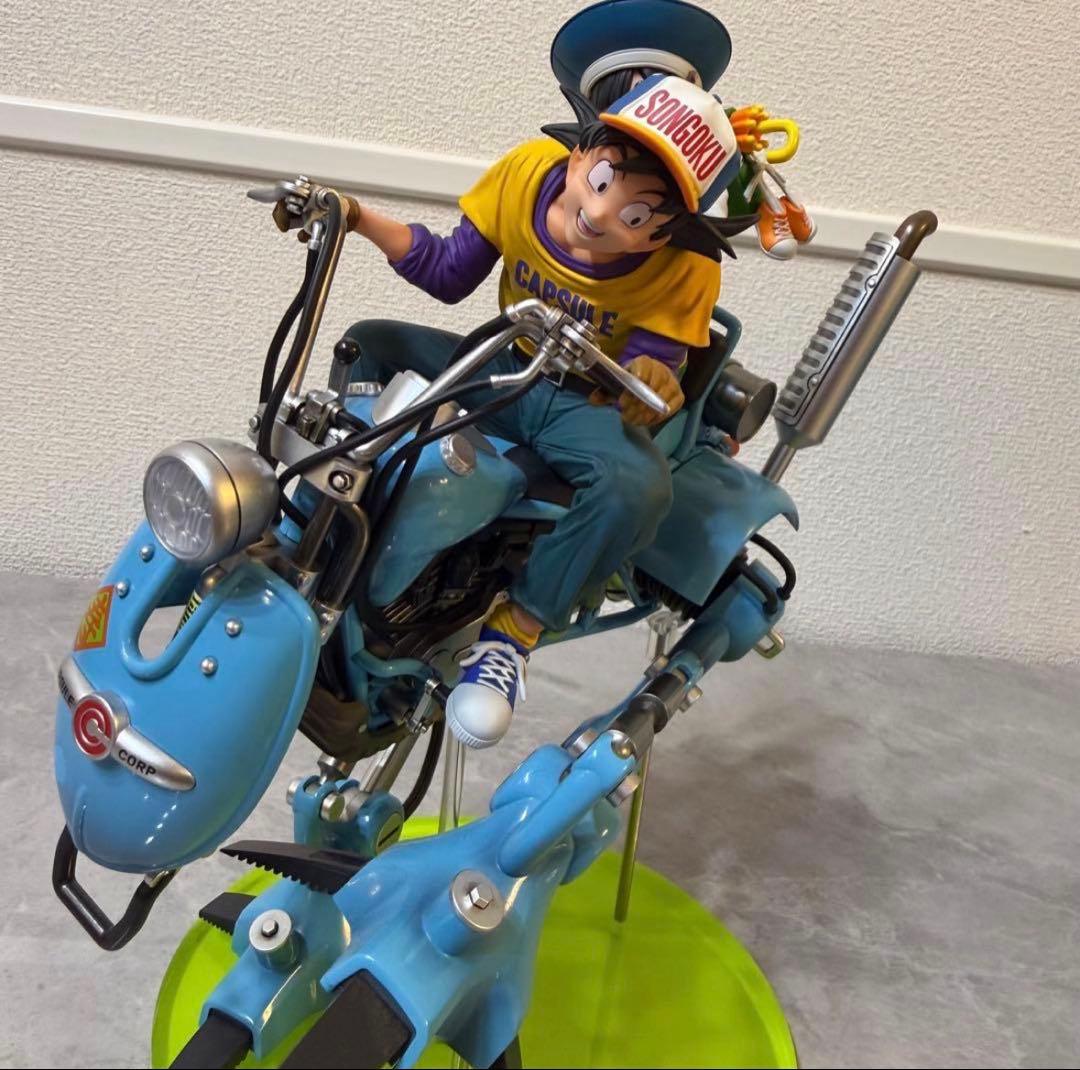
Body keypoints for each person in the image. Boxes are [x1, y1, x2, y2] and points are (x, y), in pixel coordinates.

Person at [319, 76, 746, 749]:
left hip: (580, 399)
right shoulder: (523, 177)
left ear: (668, 232)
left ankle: (513, 632)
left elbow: (658, 365)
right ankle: (332, 527)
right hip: (498, 363)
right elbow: (448, 272)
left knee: (638, 487)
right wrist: (356, 217)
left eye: (638, 217)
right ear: (580, 154)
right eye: (601, 180)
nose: (601, 216)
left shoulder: (684, 268)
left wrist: (653, 380)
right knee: (370, 343)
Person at [551, 0, 815, 259]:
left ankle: (770, 207)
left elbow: (719, 208)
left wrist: (729, 143)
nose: (597, 214)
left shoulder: (682, 230)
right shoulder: (548, 175)